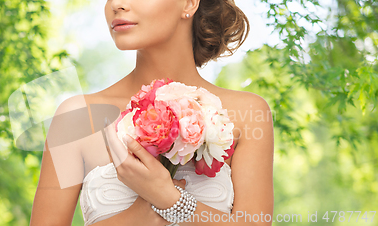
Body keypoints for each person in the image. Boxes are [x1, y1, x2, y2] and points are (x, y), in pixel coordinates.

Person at [30, 0, 274, 225]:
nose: (117, 4)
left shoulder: (247, 113)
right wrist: (144, 211)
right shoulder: (76, 117)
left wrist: (170, 199)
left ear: (189, 3)